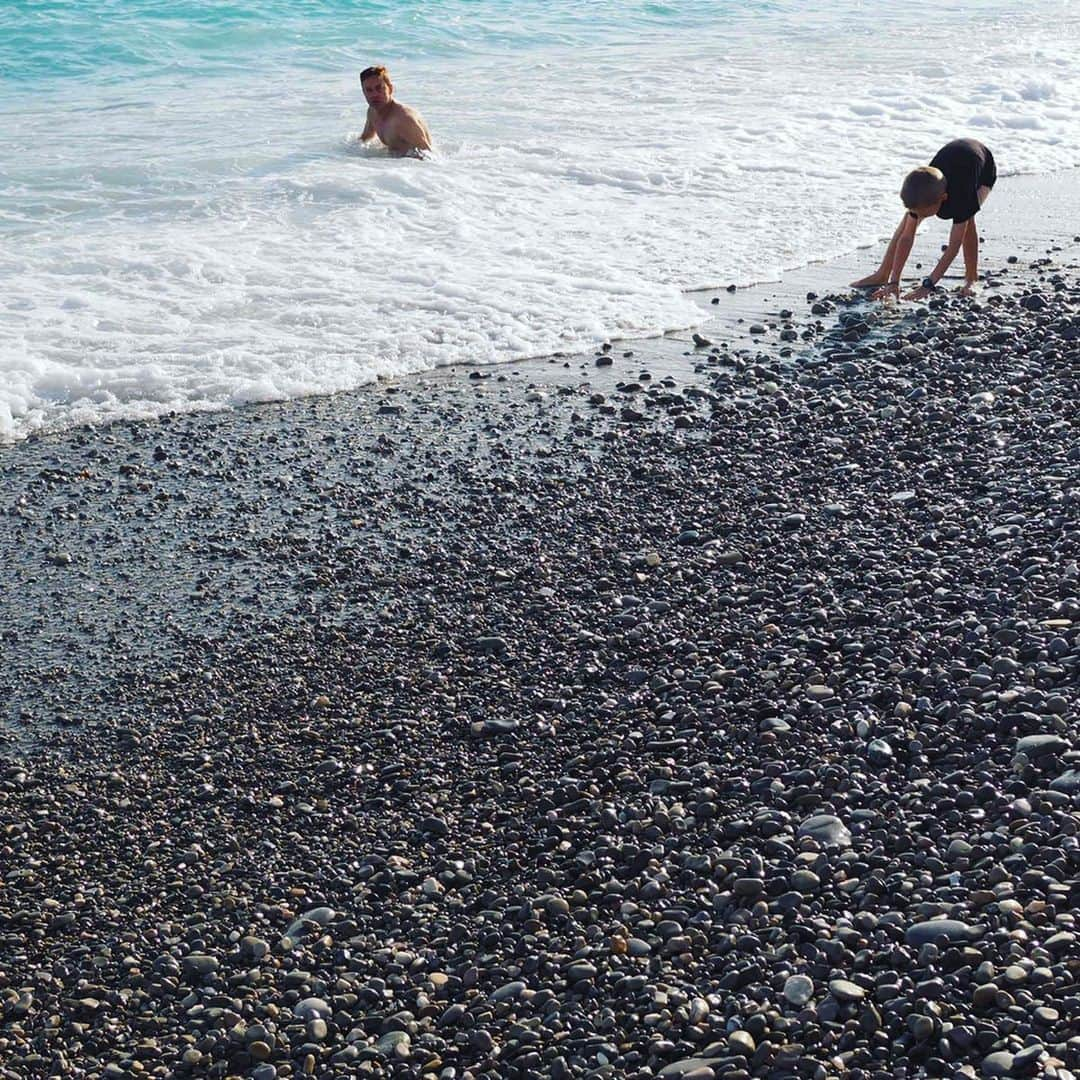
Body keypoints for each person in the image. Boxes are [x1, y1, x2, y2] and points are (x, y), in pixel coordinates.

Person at [852, 138, 997, 301]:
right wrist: (894, 281)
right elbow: (907, 237)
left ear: (943, 198)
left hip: (983, 168)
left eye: (922, 213)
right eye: (916, 212)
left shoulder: (960, 199)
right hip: (949, 162)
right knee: (907, 223)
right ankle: (883, 274)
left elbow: (953, 246)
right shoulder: (922, 190)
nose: (918, 216)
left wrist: (927, 286)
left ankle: (971, 279)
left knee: (967, 219)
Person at [359, 65, 432, 158]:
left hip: (413, 169)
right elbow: (364, 140)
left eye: (379, 88)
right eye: (369, 90)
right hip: (396, 168)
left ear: (390, 89)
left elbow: (429, 155)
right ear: (363, 92)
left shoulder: (404, 119)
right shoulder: (372, 112)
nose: (374, 94)